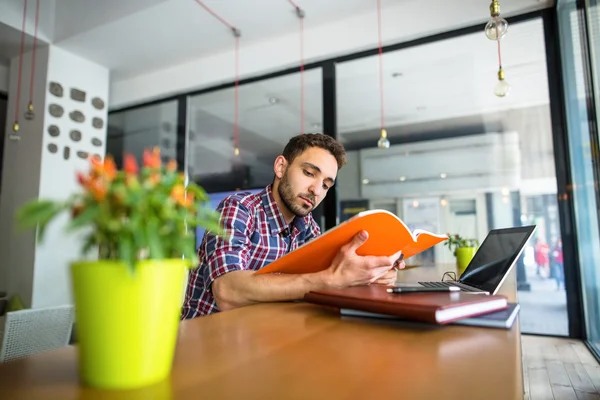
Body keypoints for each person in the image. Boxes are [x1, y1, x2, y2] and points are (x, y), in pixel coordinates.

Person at [181, 133, 404, 319]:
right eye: (309, 173)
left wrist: (372, 274)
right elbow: (228, 291)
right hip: (206, 342)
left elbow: (325, 283)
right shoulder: (239, 209)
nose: (316, 191)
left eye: (326, 185)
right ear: (280, 167)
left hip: (263, 336)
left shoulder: (308, 227)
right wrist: (330, 280)